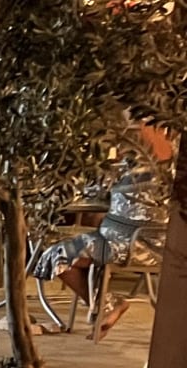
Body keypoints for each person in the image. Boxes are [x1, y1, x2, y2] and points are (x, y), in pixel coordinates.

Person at [32, 125, 175, 339]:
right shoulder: (171, 162)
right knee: (71, 249)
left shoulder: (135, 164)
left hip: (126, 244)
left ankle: (108, 304)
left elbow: (92, 190)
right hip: (154, 244)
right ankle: (105, 303)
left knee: (55, 254)